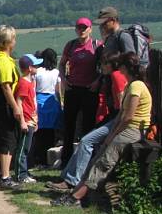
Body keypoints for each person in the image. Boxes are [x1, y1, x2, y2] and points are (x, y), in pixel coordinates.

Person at [51, 52, 152, 207]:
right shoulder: (132, 84)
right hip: (127, 128)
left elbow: (128, 117)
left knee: (104, 161)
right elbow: (122, 115)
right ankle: (76, 192)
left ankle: (76, 197)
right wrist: (111, 134)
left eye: (121, 66)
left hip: (132, 130)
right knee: (97, 158)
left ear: (125, 67)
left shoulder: (136, 86)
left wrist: (112, 136)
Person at [48, 51, 126, 191]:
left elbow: (121, 103)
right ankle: (68, 177)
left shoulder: (115, 76)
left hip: (117, 118)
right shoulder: (112, 77)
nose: (101, 67)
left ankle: (72, 180)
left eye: (103, 64)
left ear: (110, 65)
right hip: (114, 117)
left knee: (86, 141)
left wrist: (114, 127)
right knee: (86, 140)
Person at [59, 18, 101, 165]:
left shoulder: (97, 46)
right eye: (79, 27)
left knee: (88, 126)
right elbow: (62, 63)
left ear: (90, 29)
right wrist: (63, 79)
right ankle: (66, 159)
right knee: (69, 125)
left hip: (90, 90)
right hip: (73, 89)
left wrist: (98, 81)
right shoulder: (70, 46)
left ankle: (86, 160)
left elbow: (104, 67)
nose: (81, 30)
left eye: (84, 28)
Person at [0, 25, 21, 189]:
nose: (15, 41)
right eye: (14, 38)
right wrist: (15, 107)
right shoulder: (5, 62)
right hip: (4, 105)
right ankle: (6, 177)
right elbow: (6, 86)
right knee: (8, 140)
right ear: (9, 42)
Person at [30, 48, 61, 167]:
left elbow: (33, 88)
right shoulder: (56, 72)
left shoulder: (38, 72)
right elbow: (58, 91)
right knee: (50, 133)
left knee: (38, 133)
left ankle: (37, 158)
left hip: (39, 102)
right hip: (52, 102)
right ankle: (48, 159)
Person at [13, 54, 40, 184]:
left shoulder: (29, 82)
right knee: (23, 149)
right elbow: (19, 102)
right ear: (30, 68)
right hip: (26, 120)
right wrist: (22, 121)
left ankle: (24, 172)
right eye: (35, 65)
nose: (37, 67)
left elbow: (31, 102)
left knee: (26, 148)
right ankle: (20, 175)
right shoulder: (24, 83)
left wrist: (36, 120)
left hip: (31, 119)